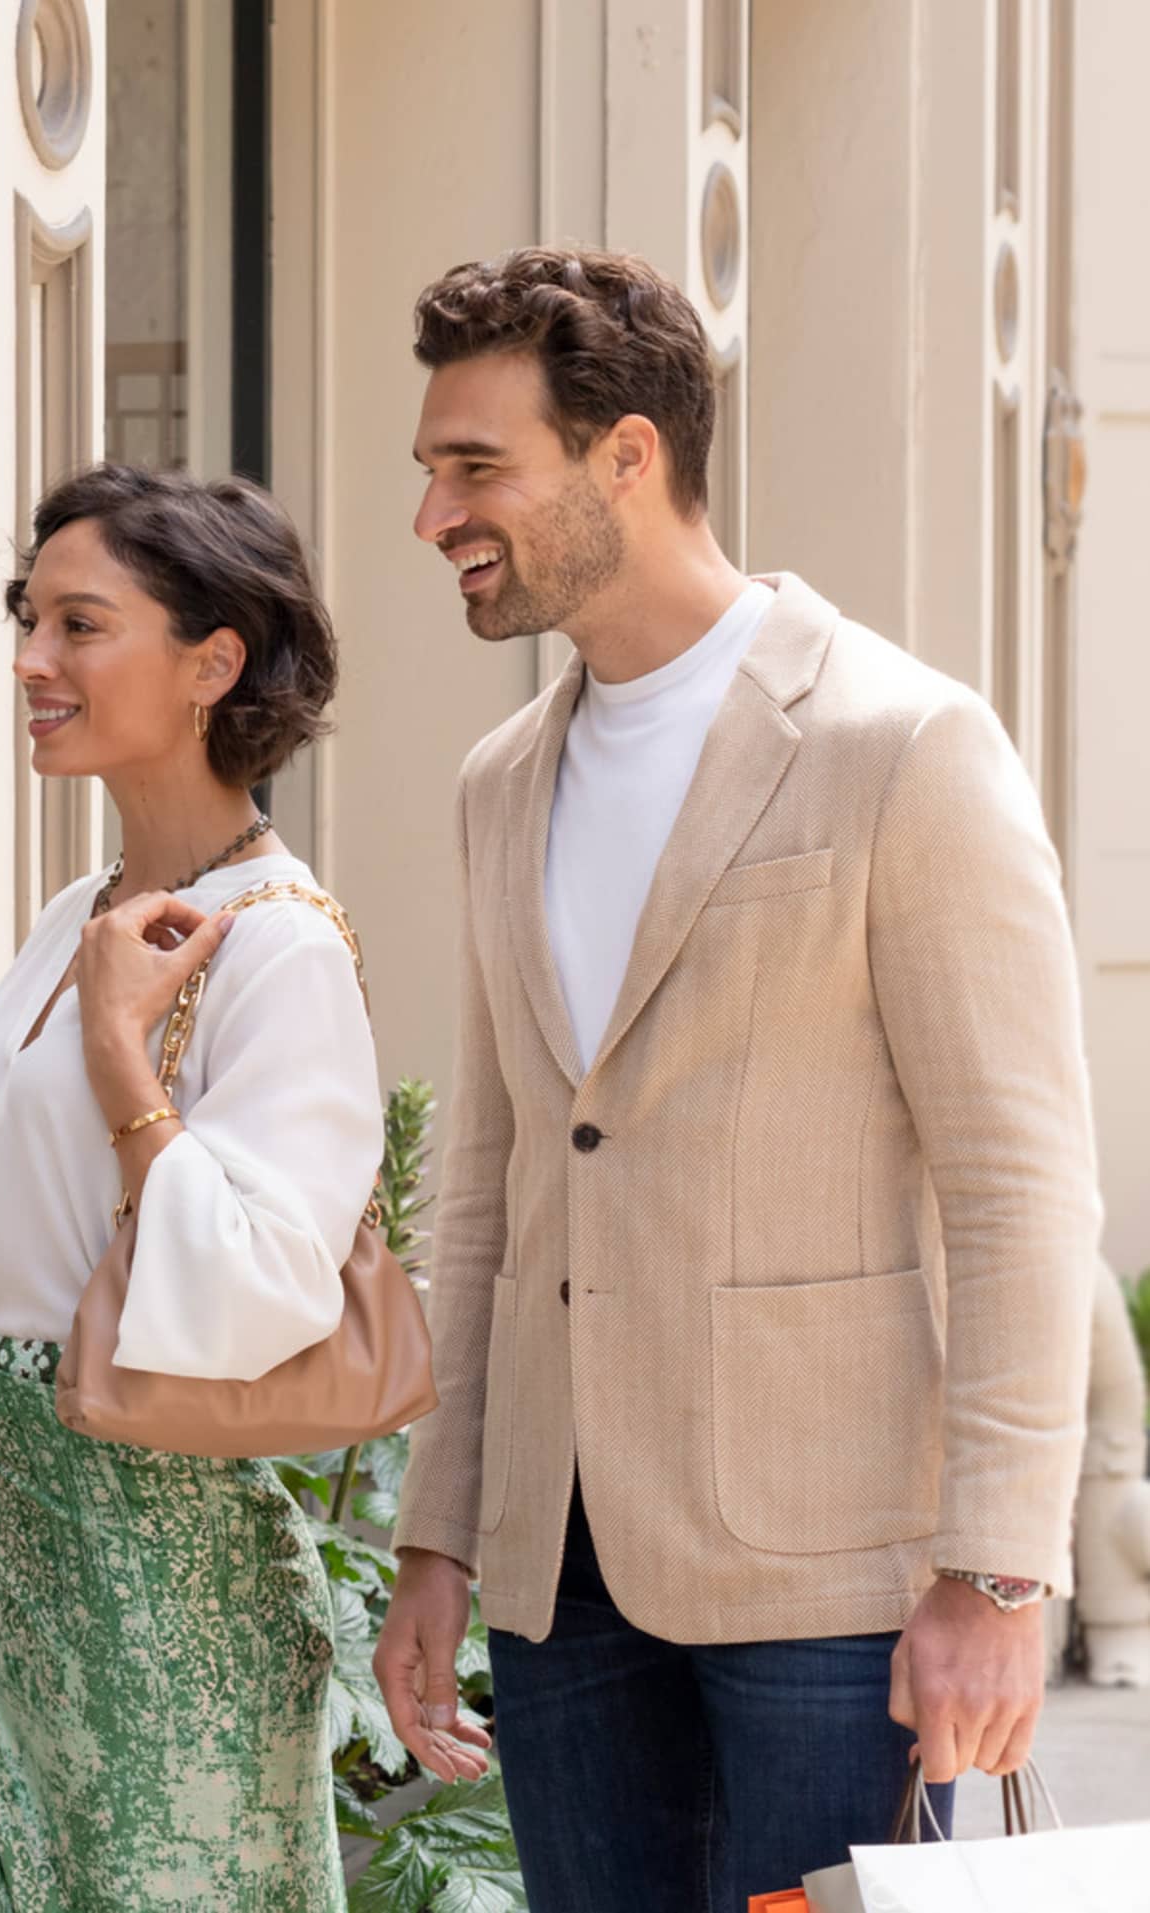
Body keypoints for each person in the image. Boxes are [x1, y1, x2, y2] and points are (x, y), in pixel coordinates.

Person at [373, 247, 1101, 1910]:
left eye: (473, 466)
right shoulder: (500, 779)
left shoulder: (899, 744)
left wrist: (995, 1572)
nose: (433, 516)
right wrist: (439, 1535)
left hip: (831, 1573)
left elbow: (1018, 1184)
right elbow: (486, 1186)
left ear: (626, 454)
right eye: (426, 471)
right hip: (559, 1568)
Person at [0, 464, 383, 1912]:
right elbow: (25, 1262)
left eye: (78, 625)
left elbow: (261, 1293)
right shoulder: (73, 913)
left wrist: (119, 1055)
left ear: (213, 659)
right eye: (28, 621)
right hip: (12, 1529)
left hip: (162, 1570)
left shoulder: (278, 943)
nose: (32, 661)